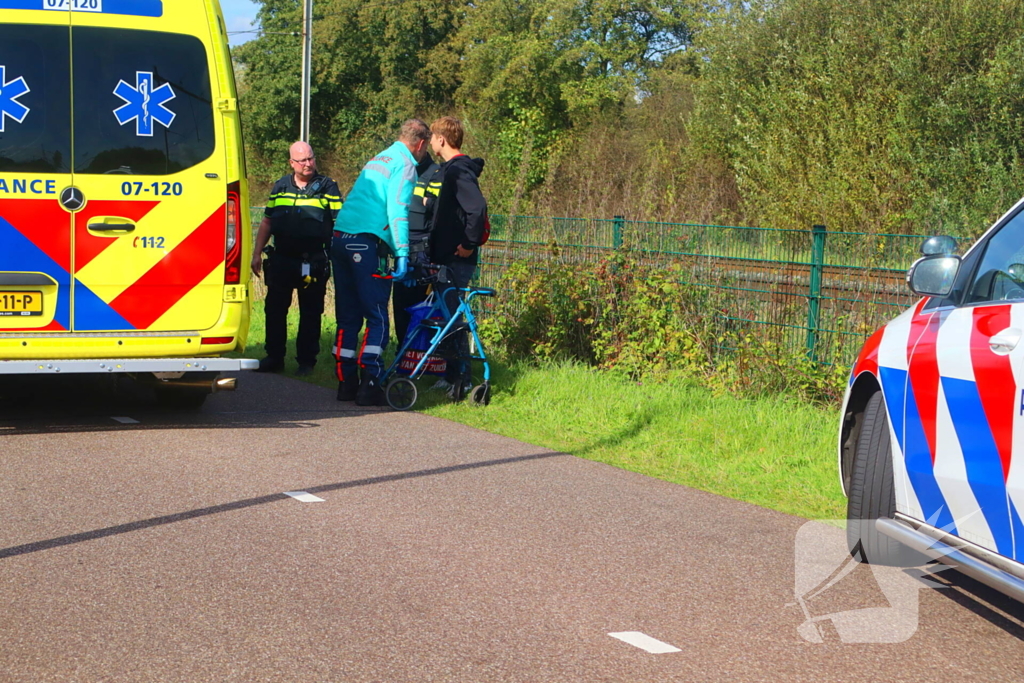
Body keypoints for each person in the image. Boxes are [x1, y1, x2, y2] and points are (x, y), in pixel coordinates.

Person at [332, 119, 431, 405]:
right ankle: (370, 384)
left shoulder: (380, 157)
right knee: (377, 315)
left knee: (348, 317)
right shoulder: (406, 164)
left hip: (340, 238)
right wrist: (402, 253)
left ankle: (345, 384)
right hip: (365, 243)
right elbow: (397, 211)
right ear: (421, 143)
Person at [252, 141, 342, 376]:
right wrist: (256, 253)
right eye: (302, 160)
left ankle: (306, 362)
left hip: (313, 261)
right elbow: (267, 221)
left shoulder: (328, 187)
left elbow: (339, 225)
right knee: (274, 310)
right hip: (282, 259)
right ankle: (274, 357)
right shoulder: (280, 186)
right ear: (292, 163)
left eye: (311, 158)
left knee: (311, 312)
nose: (308, 164)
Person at [427, 116, 488, 399]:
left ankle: (461, 378)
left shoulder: (457, 171)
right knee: (449, 315)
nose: (429, 143)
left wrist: (468, 243)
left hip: (456, 259)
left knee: (454, 317)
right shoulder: (449, 170)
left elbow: (477, 208)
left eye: (432, 137)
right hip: (445, 257)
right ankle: (451, 375)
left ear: (441, 139)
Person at [393, 151, 442, 344]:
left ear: (421, 145)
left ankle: (419, 359)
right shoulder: (401, 171)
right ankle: (402, 359)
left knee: (421, 312)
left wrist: (431, 258)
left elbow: (438, 218)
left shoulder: (436, 173)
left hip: (424, 255)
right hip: (401, 253)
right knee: (400, 309)